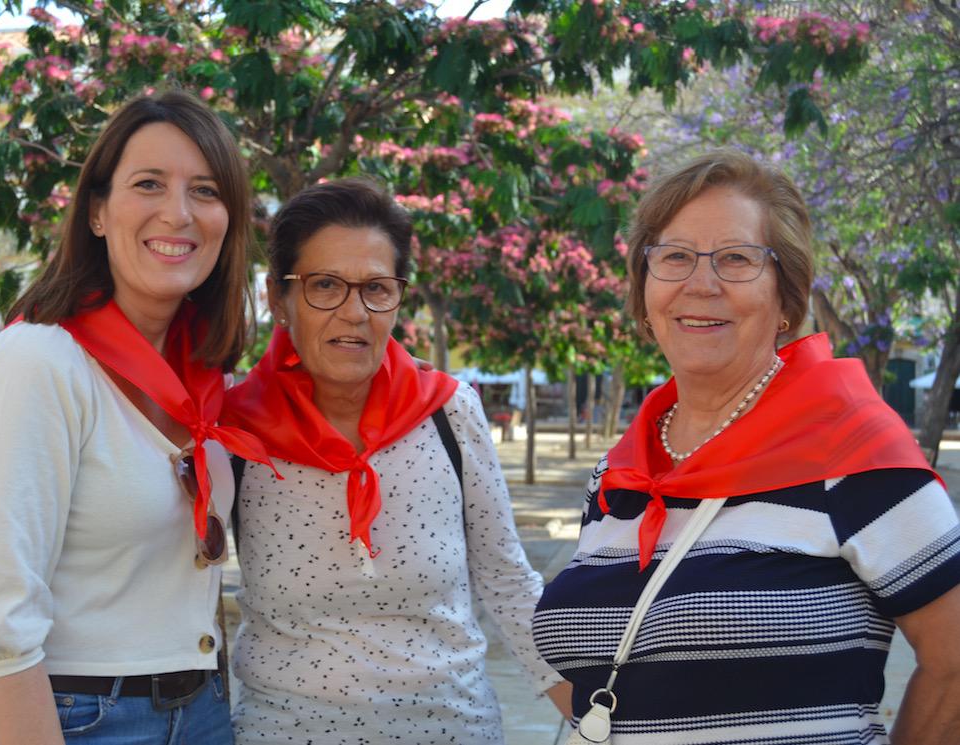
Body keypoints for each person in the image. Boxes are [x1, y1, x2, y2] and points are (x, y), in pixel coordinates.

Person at [532, 149, 960, 744]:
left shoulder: (853, 448)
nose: (700, 284)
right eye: (675, 257)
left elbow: (955, 662)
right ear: (644, 291)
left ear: (786, 298)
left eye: (735, 259)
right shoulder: (619, 473)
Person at [0, 89, 272, 745]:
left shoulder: (204, 377)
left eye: (205, 190)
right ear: (95, 211)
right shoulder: (39, 361)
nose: (178, 212)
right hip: (76, 718)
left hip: (200, 710)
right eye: (149, 183)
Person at [219, 177, 571, 743]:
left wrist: (604, 721)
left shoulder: (449, 412)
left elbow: (507, 583)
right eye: (325, 285)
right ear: (277, 297)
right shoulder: (232, 431)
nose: (354, 312)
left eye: (376, 288)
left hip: (454, 731)